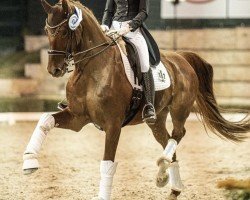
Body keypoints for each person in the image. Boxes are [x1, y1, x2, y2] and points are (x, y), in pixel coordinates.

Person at [101, 0, 156, 123]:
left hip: (133, 30)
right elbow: (109, 11)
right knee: (95, 52)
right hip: (114, 28)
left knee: (144, 63)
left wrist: (129, 26)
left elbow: (143, 12)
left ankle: (149, 105)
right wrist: (104, 24)